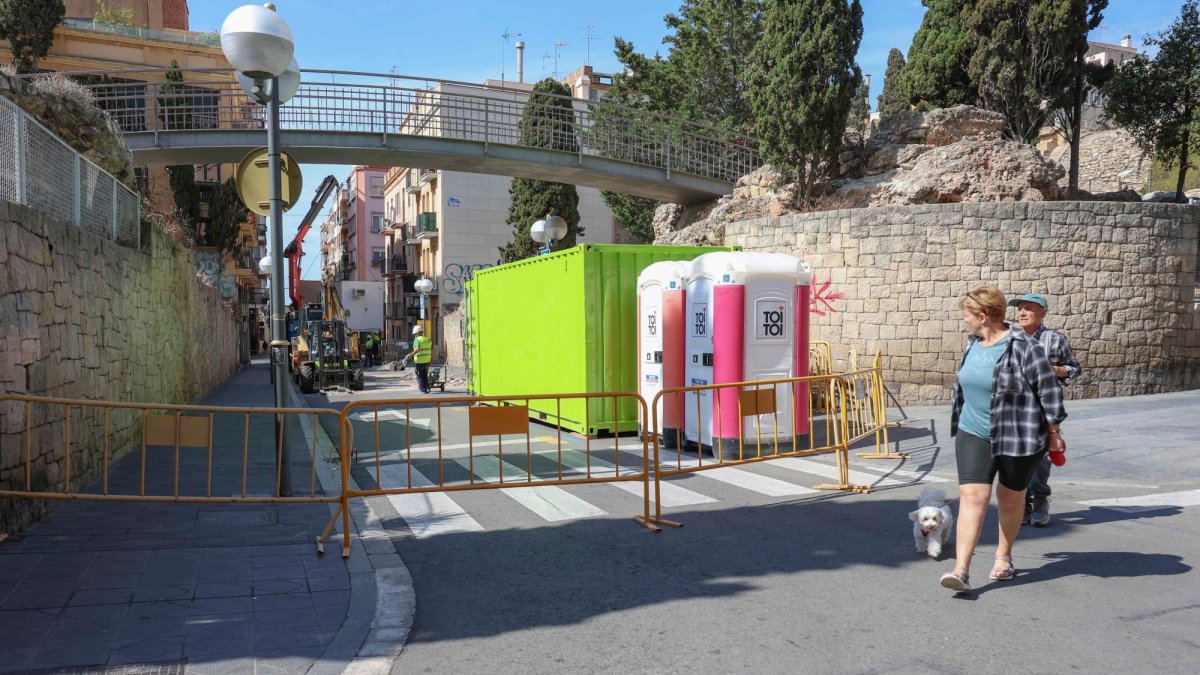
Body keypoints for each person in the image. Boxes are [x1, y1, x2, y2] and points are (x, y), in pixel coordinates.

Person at [940, 285, 1066, 594]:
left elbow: (1048, 390)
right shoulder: (973, 345)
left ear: (982, 316)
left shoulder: (1024, 347)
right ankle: (962, 569)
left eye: (966, 315)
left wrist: (1054, 433)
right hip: (973, 432)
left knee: (1010, 498)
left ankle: (1003, 556)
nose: (964, 321)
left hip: (1018, 436)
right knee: (974, 498)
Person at [1010, 292, 1081, 527]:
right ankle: (1022, 502)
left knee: (1040, 458)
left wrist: (1056, 370)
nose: (1021, 313)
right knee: (1015, 458)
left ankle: (1040, 498)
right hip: (1013, 408)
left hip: (1043, 408)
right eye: (1020, 308)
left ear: (1043, 313)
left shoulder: (1054, 339)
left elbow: (1074, 369)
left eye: (1028, 308)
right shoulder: (1008, 338)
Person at [406, 325, 432, 394]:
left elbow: (417, 349)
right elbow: (429, 350)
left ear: (418, 333)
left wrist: (410, 355)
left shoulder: (417, 340)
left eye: (414, 333)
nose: (414, 335)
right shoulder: (427, 339)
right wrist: (430, 361)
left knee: (419, 375)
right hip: (427, 360)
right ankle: (427, 388)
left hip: (419, 361)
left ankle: (422, 390)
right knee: (424, 374)